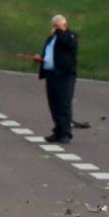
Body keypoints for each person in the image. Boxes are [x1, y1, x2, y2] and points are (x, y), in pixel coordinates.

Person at [31, 13, 81, 143]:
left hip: (64, 75)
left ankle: (66, 133)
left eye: (57, 26)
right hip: (51, 74)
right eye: (54, 26)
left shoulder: (70, 36)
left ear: (64, 25)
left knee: (64, 103)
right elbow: (49, 53)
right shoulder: (51, 39)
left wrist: (59, 32)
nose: (55, 28)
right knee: (53, 103)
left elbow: (69, 44)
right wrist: (40, 58)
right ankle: (58, 130)